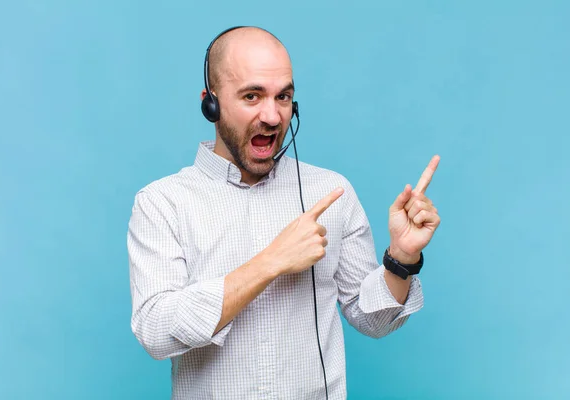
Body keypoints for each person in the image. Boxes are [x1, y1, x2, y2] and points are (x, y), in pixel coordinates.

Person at [127, 26, 441, 399]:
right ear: (210, 103)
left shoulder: (329, 192)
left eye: (284, 96)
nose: (273, 116)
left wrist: (401, 259)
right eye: (252, 96)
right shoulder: (162, 203)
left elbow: (372, 318)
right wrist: (270, 262)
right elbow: (156, 331)